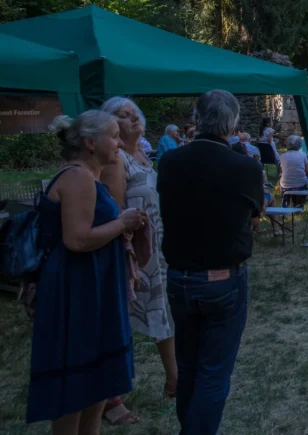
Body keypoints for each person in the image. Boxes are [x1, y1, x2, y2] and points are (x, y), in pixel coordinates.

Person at [27, 111, 146, 431]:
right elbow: (77, 240)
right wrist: (121, 223)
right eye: (114, 136)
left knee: (96, 385)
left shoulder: (89, 176)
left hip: (93, 283)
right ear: (91, 143)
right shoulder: (77, 176)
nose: (120, 142)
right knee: (76, 388)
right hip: (77, 289)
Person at [158, 90, 263, 435]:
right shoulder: (245, 166)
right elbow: (255, 217)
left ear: (197, 118)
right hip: (223, 278)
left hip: (179, 277)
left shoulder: (171, 161)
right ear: (233, 124)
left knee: (188, 367)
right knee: (213, 372)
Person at [100, 97, 177, 408]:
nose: (132, 118)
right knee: (123, 318)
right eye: (123, 115)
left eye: (134, 113)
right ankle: (111, 397)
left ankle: (173, 378)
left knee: (161, 310)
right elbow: (113, 211)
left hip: (154, 247)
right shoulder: (118, 160)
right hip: (132, 250)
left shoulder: (142, 154)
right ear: (110, 125)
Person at [279, 135, 308, 205]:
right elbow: (307, 171)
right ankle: (299, 204)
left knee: (282, 181)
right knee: (304, 182)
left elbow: (281, 172)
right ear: (300, 145)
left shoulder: (282, 156)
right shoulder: (303, 155)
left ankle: (285, 203)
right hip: (301, 184)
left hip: (285, 185)